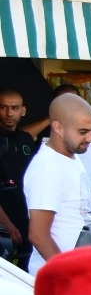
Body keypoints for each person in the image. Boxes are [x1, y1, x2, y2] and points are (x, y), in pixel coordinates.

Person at [23, 93, 91, 274]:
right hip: (60, 280)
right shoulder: (49, 168)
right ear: (58, 127)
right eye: (83, 132)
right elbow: (38, 235)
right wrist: (69, 276)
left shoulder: (69, 157)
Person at [0, 89, 33, 257]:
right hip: (5, 222)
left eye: (14, 108)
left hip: (27, 216)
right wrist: (7, 224)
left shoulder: (25, 138)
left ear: (23, 110)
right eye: (4, 107)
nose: (9, 113)